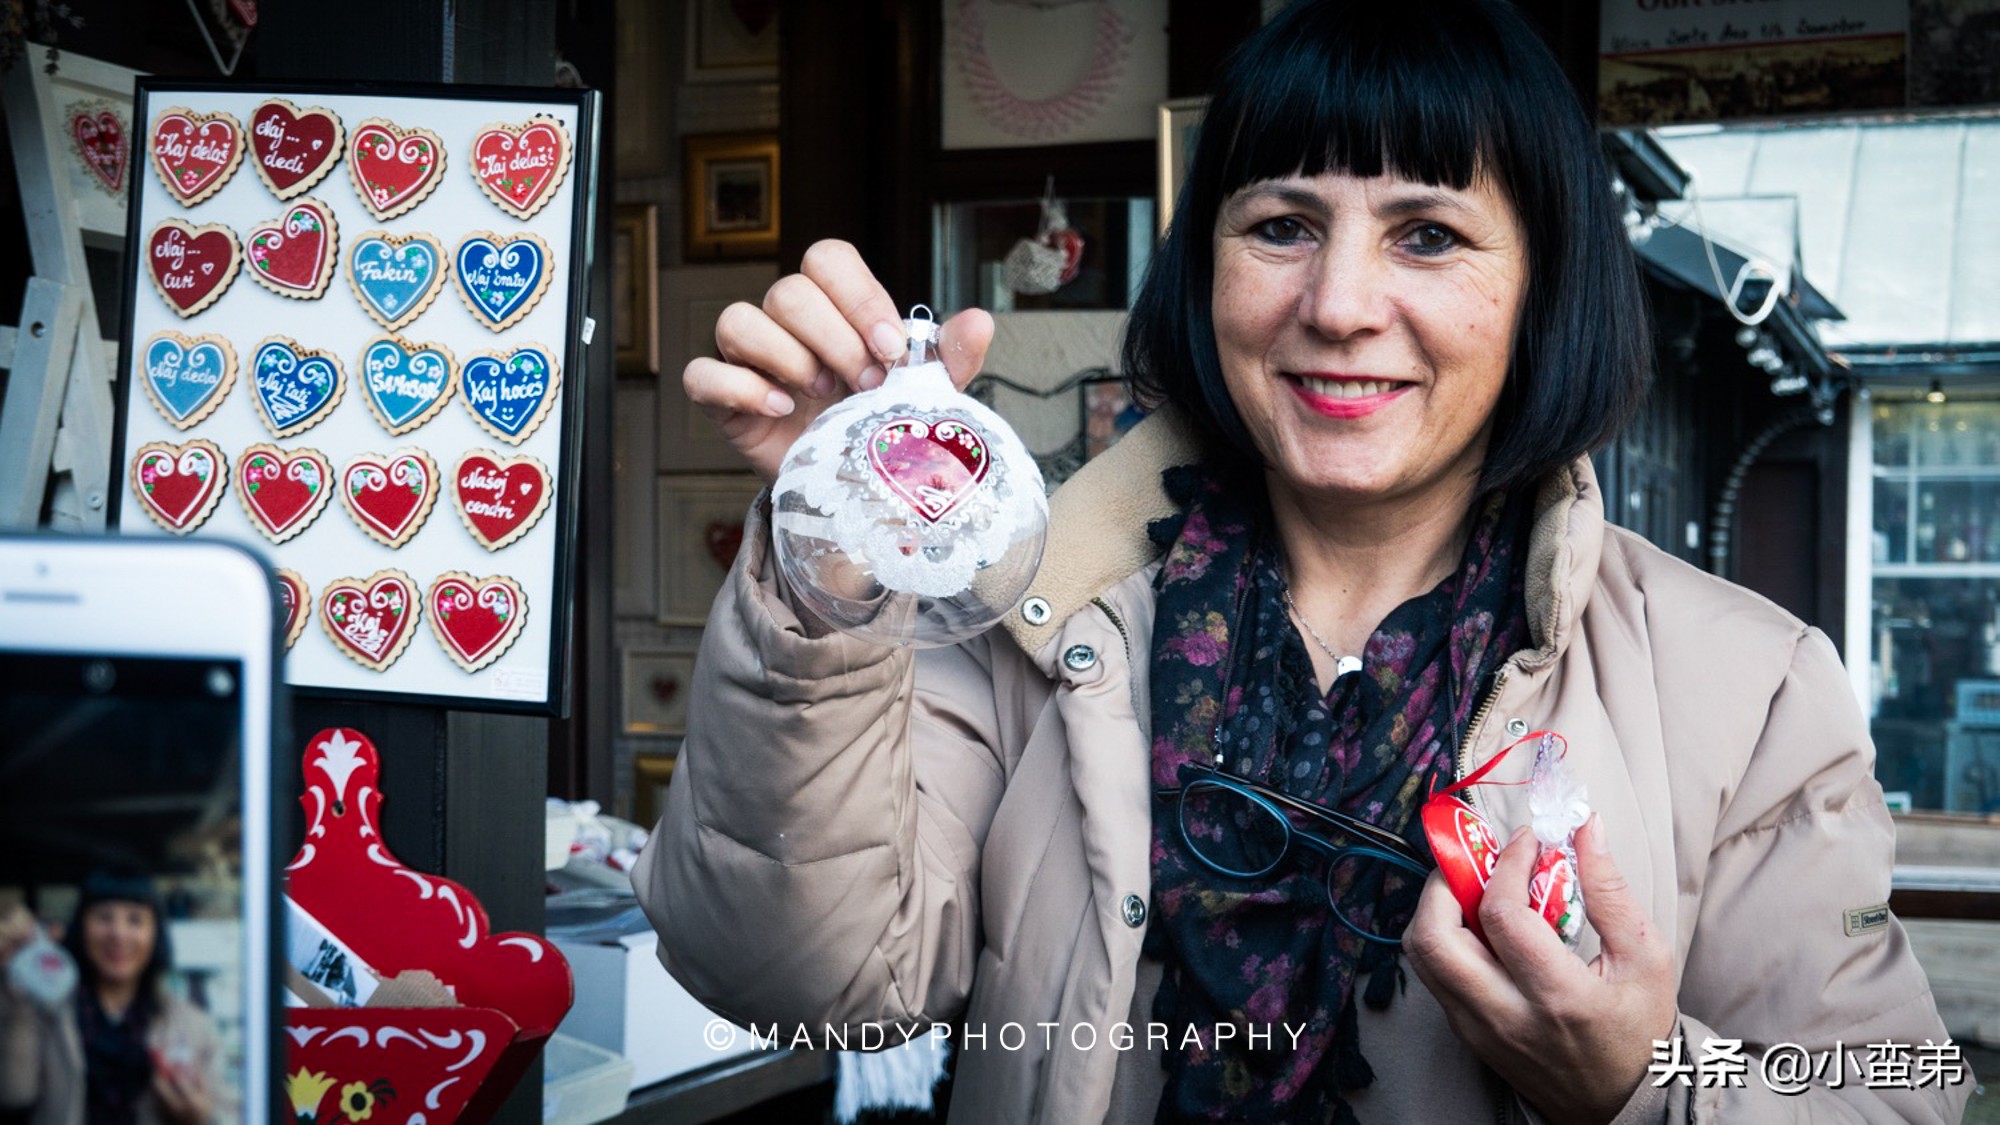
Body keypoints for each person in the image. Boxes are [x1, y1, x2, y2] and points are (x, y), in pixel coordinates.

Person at [633, 1, 1971, 1120]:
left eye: (1428, 234)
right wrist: (828, 547)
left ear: (1544, 288)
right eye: (1280, 225)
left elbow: (1887, 1098)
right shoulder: (1032, 615)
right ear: (1203, 266)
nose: (1337, 306)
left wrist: (1644, 1080)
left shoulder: (1752, 688)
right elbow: (795, 979)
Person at [0, 874, 225, 1125]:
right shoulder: (48, 1010)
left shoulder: (191, 1025)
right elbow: (13, 1096)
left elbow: (227, 1114)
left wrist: (200, 1119)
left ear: (156, 934)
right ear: (81, 927)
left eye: (135, 920)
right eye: (104, 917)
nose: (118, 934)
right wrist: (17, 985)